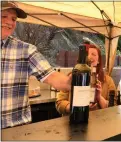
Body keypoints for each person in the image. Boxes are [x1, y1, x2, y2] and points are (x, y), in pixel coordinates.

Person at [1, 1, 70, 129]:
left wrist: (74, 81)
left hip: (17, 131)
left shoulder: (25, 49)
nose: (9, 22)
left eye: (13, 19)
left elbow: (51, 76)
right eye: (3, 16)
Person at [56, 44, 117, 115]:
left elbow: (113, 107)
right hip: (75, 120)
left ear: (98, 60)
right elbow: (59, 103)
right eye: (87, 54)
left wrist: (99, 97)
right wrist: (75, 107)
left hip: (99, 122)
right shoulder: (72, 77)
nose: (89, 56)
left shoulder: (108, 80)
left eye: (93, 54)